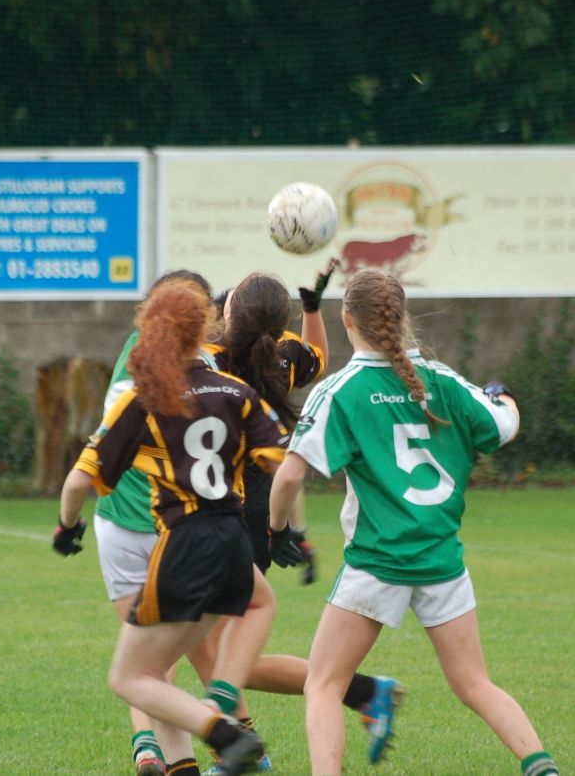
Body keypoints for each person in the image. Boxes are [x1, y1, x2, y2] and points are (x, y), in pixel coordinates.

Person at [268, 269, 560, 776]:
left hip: (377, 563)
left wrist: (276, 531)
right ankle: (541, 766)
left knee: (324, 684)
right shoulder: (445, 382)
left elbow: (290, 474)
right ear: (401, 319)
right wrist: (503, 393)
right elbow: (505, 423)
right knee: (474, 684)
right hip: (441, 561)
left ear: (347, 319)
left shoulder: (343, 389)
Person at [54, 279, 288, 776]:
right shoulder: (237, 391)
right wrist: (287, 527)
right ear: (207, 328)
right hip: (233, 543)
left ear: (150, 330)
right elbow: (281, 459)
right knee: (255, 606)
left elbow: (78, 483)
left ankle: (227, 735)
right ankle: (223, 706)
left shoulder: (145, 399)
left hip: (184, 545)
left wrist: (65, 527)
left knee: (132, 677)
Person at [192, 267, 403, 772]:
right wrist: (311, 311)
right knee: (216, 648)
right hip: (261, 513)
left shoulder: (212, 362)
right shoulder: (283, 356)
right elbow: (318, 359)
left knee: (209, 646)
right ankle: (360, 693)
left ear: (230, 314)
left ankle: (243, 748)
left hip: (223, 513)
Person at [92, 269, 218, 776]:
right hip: (175, 521)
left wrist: (66, 519)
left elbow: (99, 454)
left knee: (142, 650)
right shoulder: (205, 367)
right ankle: (230, 737)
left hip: (118, 522)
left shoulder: (136, 350)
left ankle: (149, 746)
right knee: (202, 647)